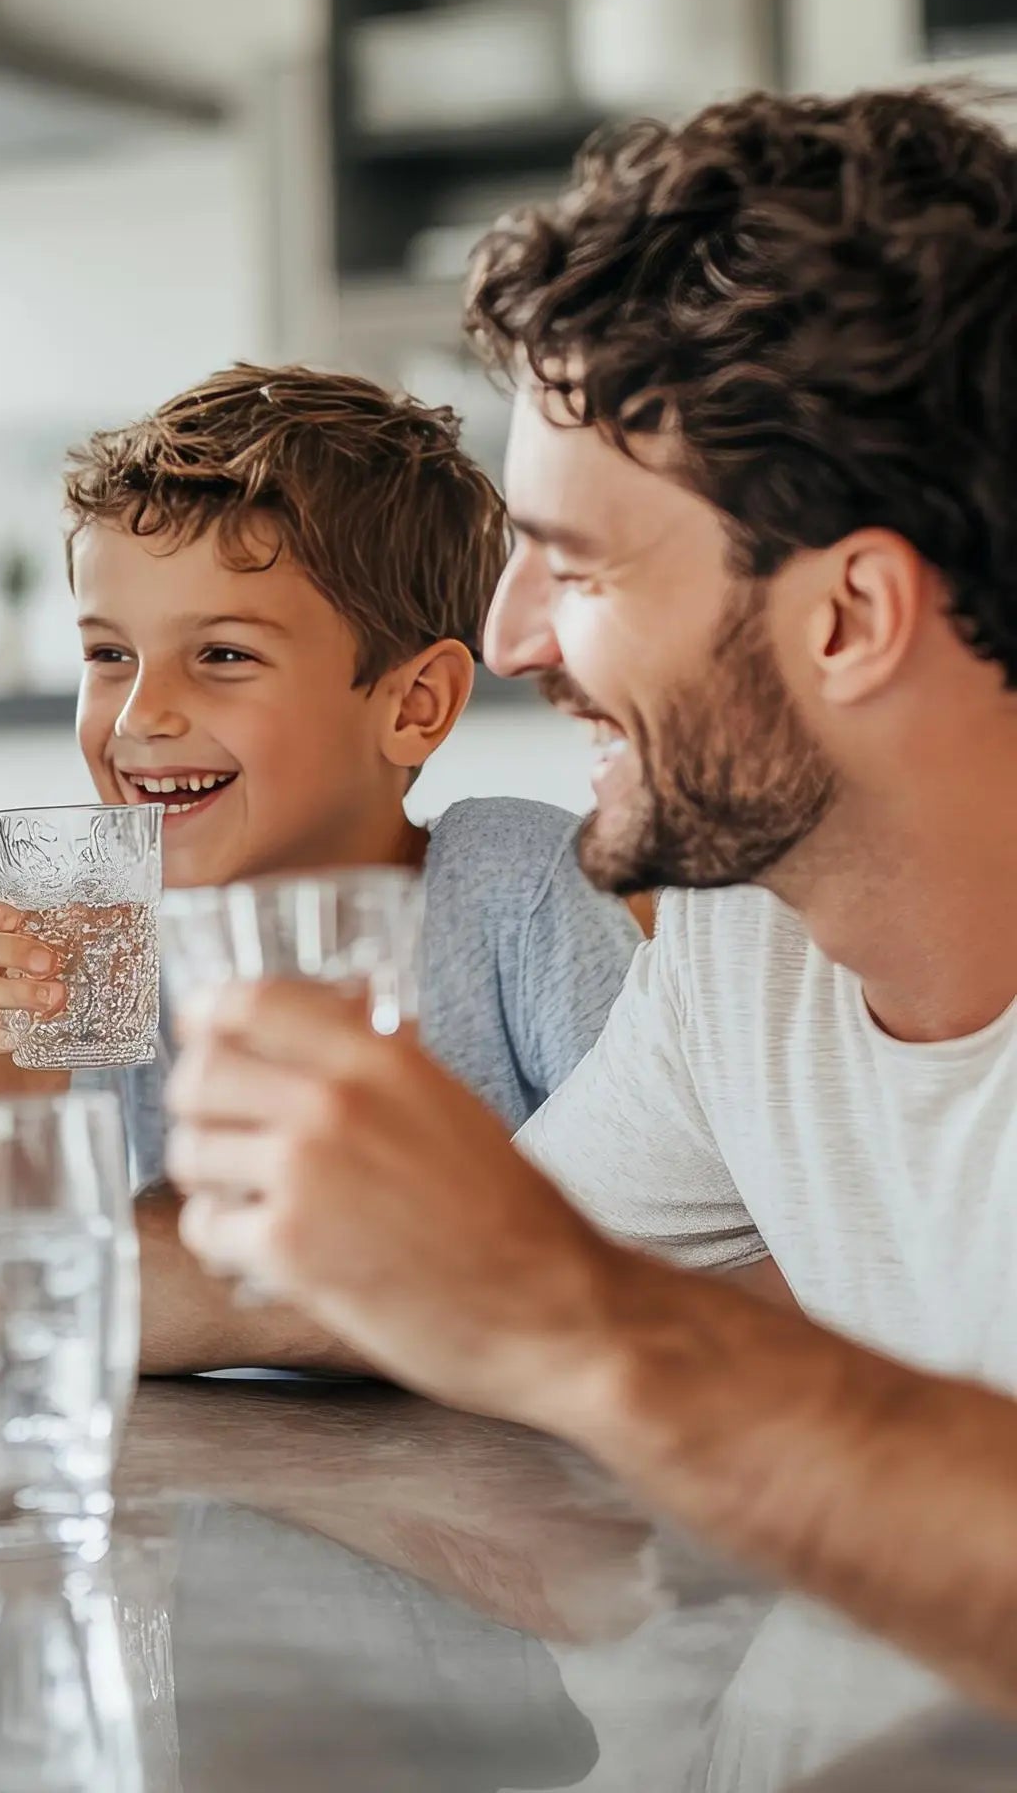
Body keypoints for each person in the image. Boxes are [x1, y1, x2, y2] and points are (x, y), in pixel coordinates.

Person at [163, 85, 1017, 1710]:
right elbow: (456, 1273)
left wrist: (576, 1319)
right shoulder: (742, 942)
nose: (510, 637)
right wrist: (33, 1272)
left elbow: (552, 1295)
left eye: (584, 566)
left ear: (850, 616)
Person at [0, 366, 643, 1373]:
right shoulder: (103, 948)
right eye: (107, 655)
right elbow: (41, 1305)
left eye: (220, 655)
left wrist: (203, 1282)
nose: (139, 718)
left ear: (414, 705)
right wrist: (4, 1119)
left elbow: (644, 1250)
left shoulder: (515, 889)